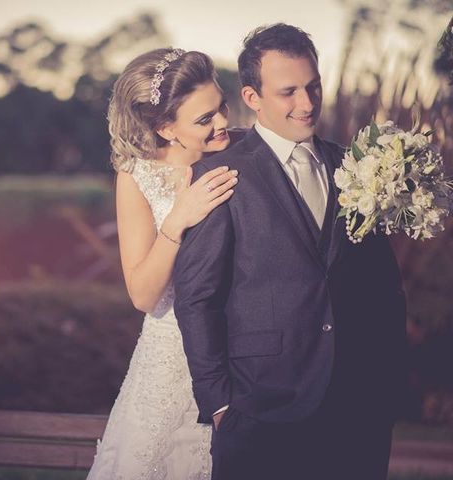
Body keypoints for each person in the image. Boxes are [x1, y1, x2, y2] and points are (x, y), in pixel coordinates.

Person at [173, 24, 407, 480]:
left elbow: (384, 288)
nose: (307, 103)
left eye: (313, 86)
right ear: (252, 97)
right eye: (288, 92)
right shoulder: (221, 174)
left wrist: (386, 386)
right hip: (260, 412)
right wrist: (219, 403)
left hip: (359, 410)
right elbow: (197, 298)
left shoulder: (358, 166)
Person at [87, 48, 243, 479]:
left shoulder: (242, 155)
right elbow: (142, 294)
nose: (222, 123)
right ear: (165, 127)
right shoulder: (137, 177)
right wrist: (178, 218)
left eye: (221, 107)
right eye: (204, 119)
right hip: (168, 360)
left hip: (240, 354)